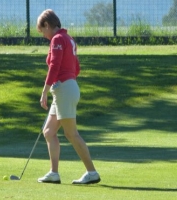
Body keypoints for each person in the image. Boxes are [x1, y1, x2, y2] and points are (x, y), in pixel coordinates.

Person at [36, 9, 101, 185]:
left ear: (48, 25)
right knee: (49, 131)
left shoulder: (57, 39)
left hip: (64, 89)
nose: (43, 36)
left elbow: (54, 66)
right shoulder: (69, 39)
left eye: (42, 31)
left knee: (71, 133)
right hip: (66, 87)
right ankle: (54, 173)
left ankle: (92, 172)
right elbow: (76, 67)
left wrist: (45, 91)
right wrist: (64, 83)